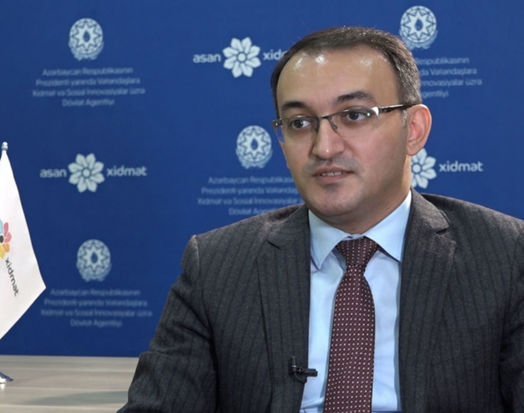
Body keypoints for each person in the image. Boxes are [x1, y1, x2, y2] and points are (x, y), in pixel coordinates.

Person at [119, 26, 524, 412]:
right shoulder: (216, 265)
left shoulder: (506, 256)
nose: (324, 147)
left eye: (354, 115)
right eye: (299, 123)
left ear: (414, 129)